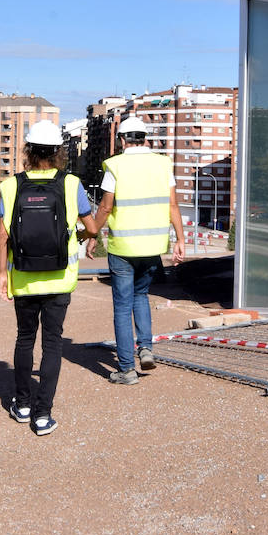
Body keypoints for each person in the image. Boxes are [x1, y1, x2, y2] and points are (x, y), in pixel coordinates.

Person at [0, 120, 100, 436]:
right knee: (52, 342)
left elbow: (2, 237)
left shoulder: (11, 186)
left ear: (27, 150)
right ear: (58, 151)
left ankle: (22, 404)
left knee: (25, 338)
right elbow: (93, 228)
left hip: (24, 277)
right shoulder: (71, 184)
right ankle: (43, 416)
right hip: (59, 278)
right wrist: (77, 234)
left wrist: (2, 274)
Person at [91, 115, 185, 384]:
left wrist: (92, 234)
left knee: (122, 307)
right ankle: (145, 348)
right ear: (146, 139)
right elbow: (173, 206)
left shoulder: (116, 166)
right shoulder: (162, 164)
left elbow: (106, 207)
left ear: (122, 140)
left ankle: (127, 369)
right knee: (141, 296)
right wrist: (180, 239)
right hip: (152, 247)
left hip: (123, 248)